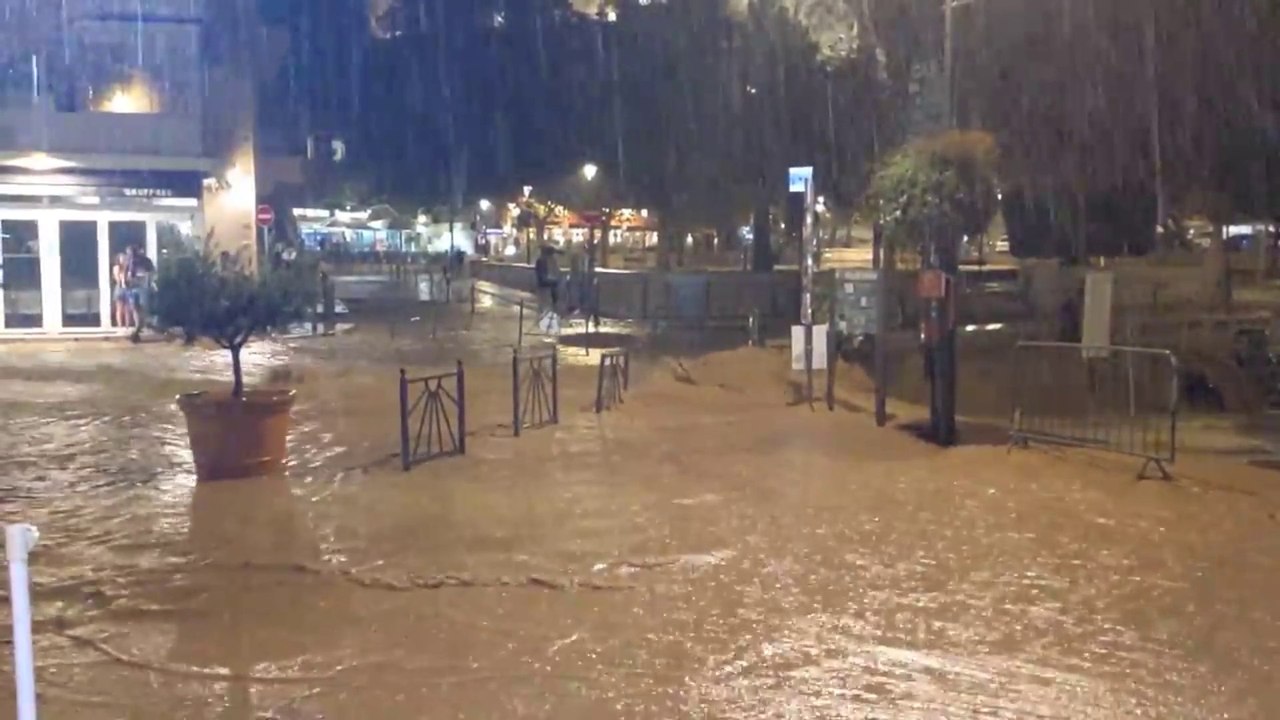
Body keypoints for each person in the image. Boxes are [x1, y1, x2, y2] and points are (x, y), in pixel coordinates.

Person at [127, 245, 156, 342]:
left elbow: (151, 273)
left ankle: (139, 328)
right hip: (133, 288)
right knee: (135, 308)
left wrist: (147, 282)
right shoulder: (131, 261)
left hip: (141, 288)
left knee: (142, 308)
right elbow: (128, 275)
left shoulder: (146, 261)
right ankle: (138, 328)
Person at [534, 245, 562, 334]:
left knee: (547, 310)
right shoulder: (543, 261)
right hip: (546, 289)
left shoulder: (548, 261)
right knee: (547, 310)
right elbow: (543, 277)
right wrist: (554, 281)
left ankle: (548, 330)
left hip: (549, 288)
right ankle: (547, 330)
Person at [112, 252, 134, 329]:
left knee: (127, 308)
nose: (123, 260)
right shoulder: (116, 267)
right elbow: (117, 279)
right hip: (119, 288)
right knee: (119, 308)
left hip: (127, 288)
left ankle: (127, 325)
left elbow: (129, 278)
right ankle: (120, 325)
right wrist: (122, 275)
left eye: (124, 258)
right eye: (122, 258)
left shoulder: (128, 268)